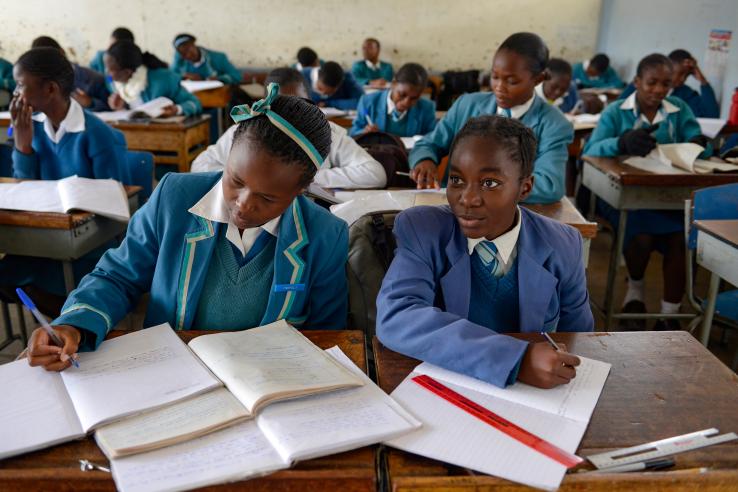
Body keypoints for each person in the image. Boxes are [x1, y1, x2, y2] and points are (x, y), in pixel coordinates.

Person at [25, 85, 350, 371]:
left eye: (267, 198)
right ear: (228, 159)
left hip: (270, 379)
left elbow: (327, 335)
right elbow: (118, 277)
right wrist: (74, 325)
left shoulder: (324, 235)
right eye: (235, 180)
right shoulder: (174, 198)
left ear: (300, 190)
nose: (244, 204)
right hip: (174, 373)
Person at [376, 115, 592, 388]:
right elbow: (397, 315)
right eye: (456, 179)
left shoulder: (563, 244)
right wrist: (516, 360)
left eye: (489, 183)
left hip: (534, 394)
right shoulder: (423, 229)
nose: (467, 198)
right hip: (446, 385)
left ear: (524, 187)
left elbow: (580, 338)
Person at [583, 53, 710, 330]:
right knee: (640, 234)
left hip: (669, 198)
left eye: (665, 84)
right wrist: (622, 142)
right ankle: (635, 293)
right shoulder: (617, 111)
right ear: (637, 82)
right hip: (623, 196)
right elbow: (590, 150)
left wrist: (700, 145)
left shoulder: (678, 109)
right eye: (652, 83)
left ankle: (669, 314)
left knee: (680, 238)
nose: (658, 90)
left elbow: (698, 142)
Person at [1, 47, 128, 310]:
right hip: (42, 239)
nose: (15, 93)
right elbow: (25, 189)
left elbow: (117, 204)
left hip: (88, 245)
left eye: (21, 85)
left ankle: (64, 319)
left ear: (50, 89)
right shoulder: (31, 127)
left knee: (52, 292)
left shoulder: (97, 134)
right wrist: (23, 146)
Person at [409, 32, 573, 204]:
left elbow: (550, 184)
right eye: (495, 77)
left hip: (509, 219)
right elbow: (428, 143)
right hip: (453, 208)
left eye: (511, 81)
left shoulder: (554, 124)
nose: (499, 88)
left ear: (538, 79)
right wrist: (425, 160)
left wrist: (490, 186)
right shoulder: (467, 105)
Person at [192, 67, 386, 189]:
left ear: (311, 101)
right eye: (280, 106)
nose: (291, 113)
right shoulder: (245, 131)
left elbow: (375, 173)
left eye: (299, 104)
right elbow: (200, 166)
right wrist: (251, 177)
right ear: (266, 104)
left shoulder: (327, 131)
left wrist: (305, 179)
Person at [105, 40, 201, 117]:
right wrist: (121, 107)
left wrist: (177, 109)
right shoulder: (113, 82)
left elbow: (195, 103)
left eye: (110, 70)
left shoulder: (164, 80)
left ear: (127, 72)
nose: (106, 72)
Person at [620, 49, 720, 118]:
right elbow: (620, 107)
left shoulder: (686, 93)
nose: (682, 79)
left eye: (687, 76)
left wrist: (702, 80)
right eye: (680, 74)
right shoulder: (643, 85)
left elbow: (711, 116)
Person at [350, 62, 436, 138]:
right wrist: (364, 132)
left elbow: (431, 137)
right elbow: (353, 132)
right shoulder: (368, 101)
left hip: (410, 155)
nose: (406, 102)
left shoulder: (427, 107)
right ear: (393, 84)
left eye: (414, 98)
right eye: (402, 95)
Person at [30, 35, 111, 112]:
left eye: (51, 60)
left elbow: (112, 107)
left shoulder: (93, 79)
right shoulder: (38, 84)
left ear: (62, 52)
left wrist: (90, 103)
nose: (49, 67)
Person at [171, 33, 242, 85]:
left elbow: (236, 76)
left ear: (194, 44)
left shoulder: (218, 58)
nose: (188, 55)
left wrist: (219, 79)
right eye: (183, 53)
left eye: (189, 49)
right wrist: (184, 75)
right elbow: (170, 78)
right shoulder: (181, 62)